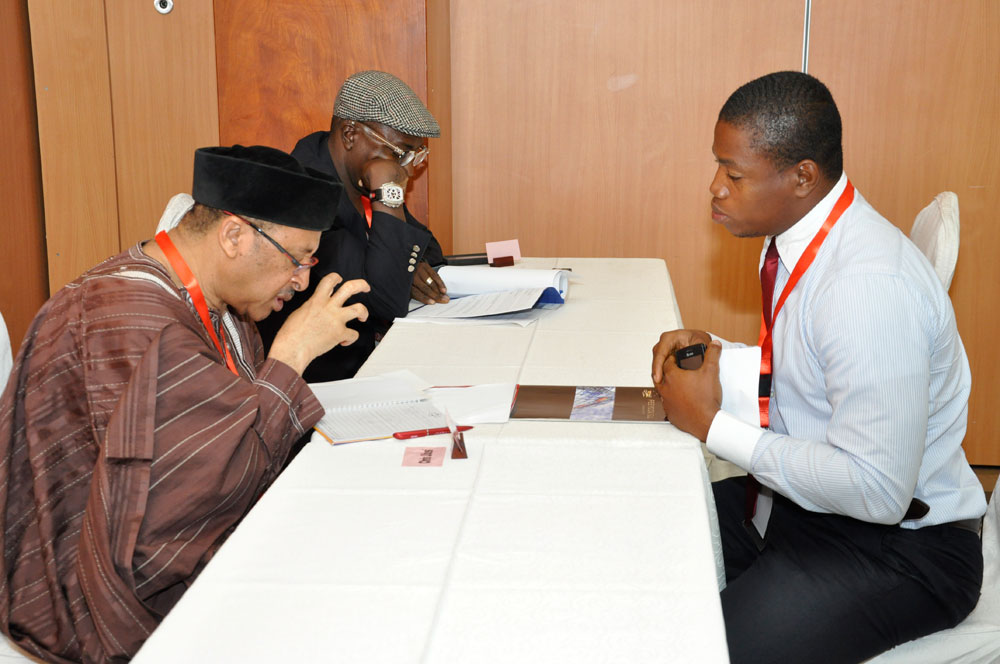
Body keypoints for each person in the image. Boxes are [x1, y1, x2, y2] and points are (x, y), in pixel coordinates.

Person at [651, 71, 985, 663]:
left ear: (802, 176)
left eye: (733, 174)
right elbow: (817, 367)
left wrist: (713, 427)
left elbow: (877, 490)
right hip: (805, 506)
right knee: (638, 538)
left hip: (901, 549)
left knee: (700, 649)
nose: (716, 188)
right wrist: (717, 355)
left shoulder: (868, 286)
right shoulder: (796, 234)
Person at [0, 145, 370, 662]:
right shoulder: (123, 320)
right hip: (98, 600)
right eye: (298, 259)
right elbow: (180, 508)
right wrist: (291, 355)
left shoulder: (221, 304)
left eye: (311, 261)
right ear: (234, 236)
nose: (302, 279)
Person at [257, 70, 449, 382]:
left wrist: (404, 263)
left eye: (413, 156)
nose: (407, 171)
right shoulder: (303, 197)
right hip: (320, 381)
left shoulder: (358, 173)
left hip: (368, 360)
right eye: (400, 153)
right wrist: (389, 195)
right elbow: (387, 300)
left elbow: (432, 251)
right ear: (349, 134)